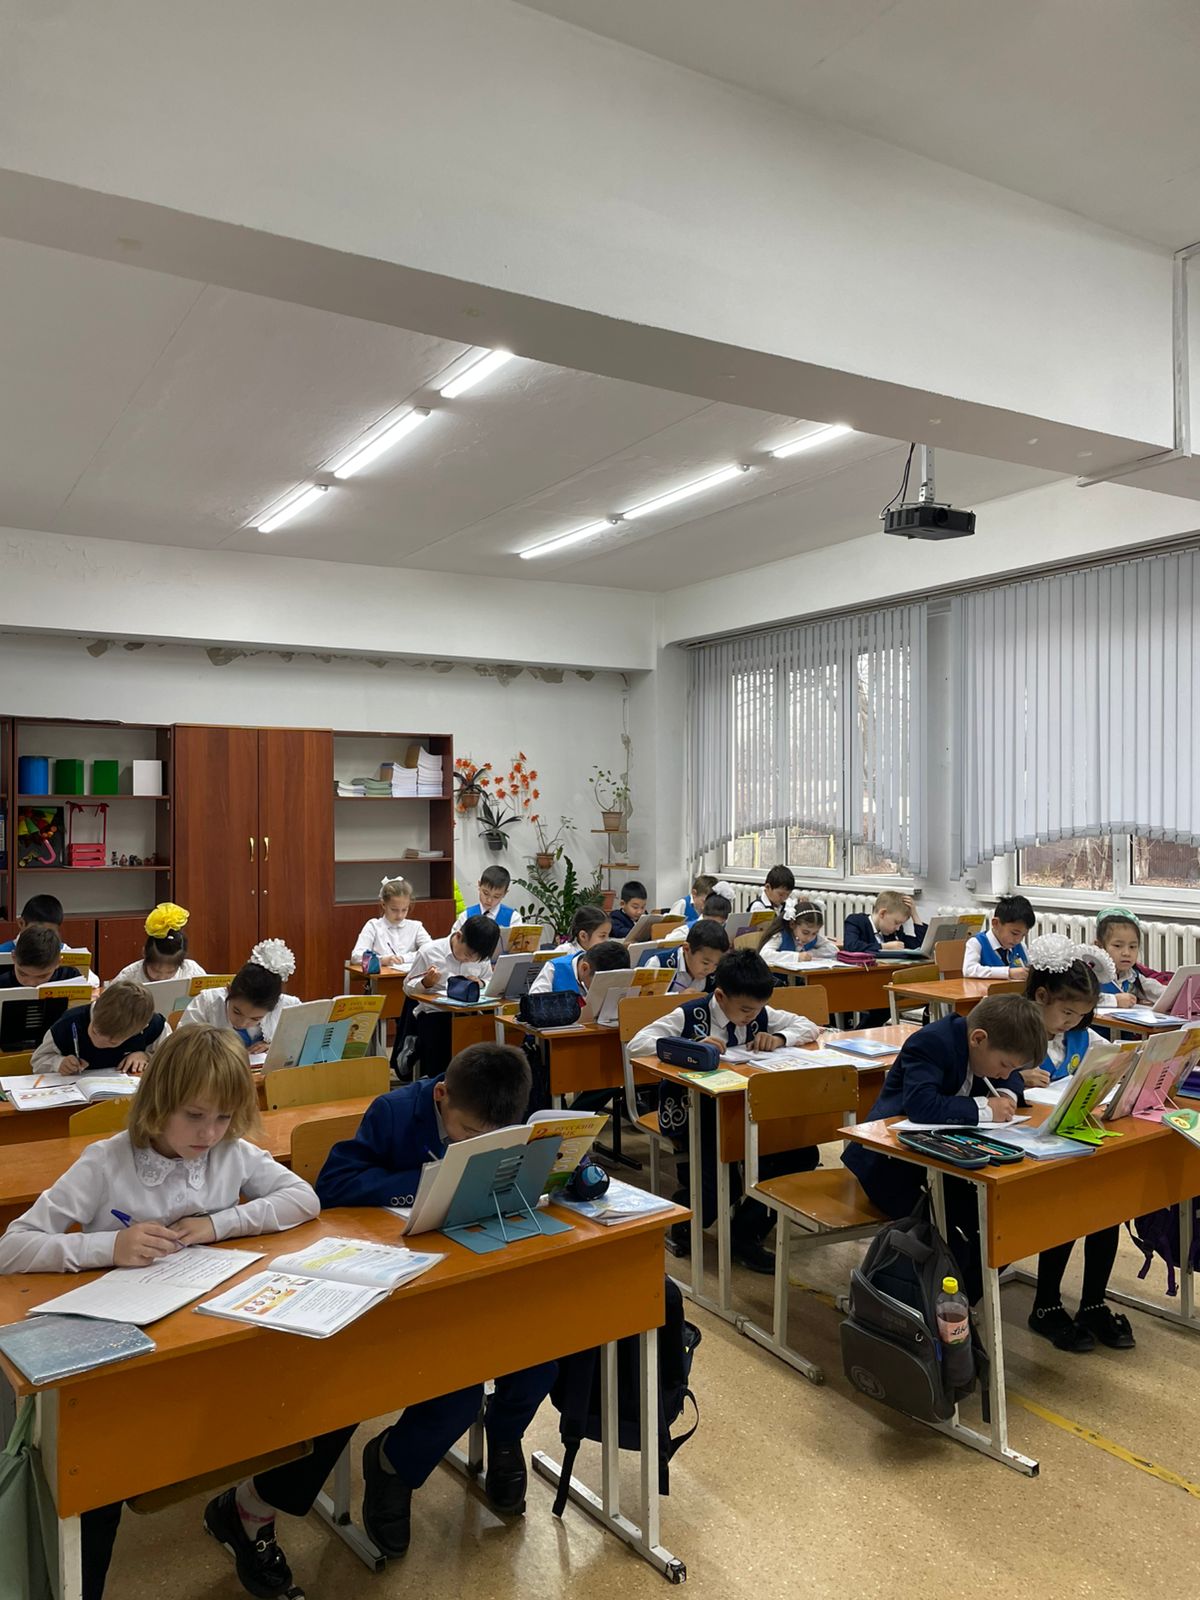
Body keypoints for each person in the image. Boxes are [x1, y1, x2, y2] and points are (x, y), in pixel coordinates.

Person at [0, 1026, 322, 1600]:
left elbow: (304, 1199)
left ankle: (248, 1511)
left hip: (208, 1334)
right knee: (95, 1480)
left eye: (223, 1118)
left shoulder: (228, 1151)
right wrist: (107, 1246)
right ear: (157, 1101)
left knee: (311, 1394)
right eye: (194, 1116)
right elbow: (12, 1247)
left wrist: (218, 1223)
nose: (209, 1133)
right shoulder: (107, 1162)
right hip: (120, 1353)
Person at [316, 1044, 557, 1558]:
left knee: (543, 1348)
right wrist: (432, 1183)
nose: (476, 1144)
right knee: (457, 1387)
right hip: (412, 1281)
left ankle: (507, 1435)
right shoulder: (394, 1111)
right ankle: (395, 1463)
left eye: (489, 1137)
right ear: (442, 1095)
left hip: (484, 1266)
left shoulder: (503, 1115)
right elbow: (333, 1185)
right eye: (467, 1132)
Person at [627, 949, 823, 1272]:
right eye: (745, 1010)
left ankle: (744, 1232)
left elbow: (809, 1026)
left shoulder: (758, 1011)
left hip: (747, 1108)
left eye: (757, 1009)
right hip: (696, 1112)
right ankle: (682, 1219)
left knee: (801, 1154)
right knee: (723, 1185)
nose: (751, 1016)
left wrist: (779, 1037)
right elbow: (638, 1044)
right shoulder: (690, 1014)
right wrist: (691, 1047)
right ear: (720, 995)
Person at [842, 994, 1046, 1300]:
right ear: (978, 1039)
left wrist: (1006, 1093)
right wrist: (985, 1108)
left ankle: (959, 1304)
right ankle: (926, 1305)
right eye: (1004, 1065)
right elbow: (921, 1106)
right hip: (890, 1165)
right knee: (954, 1240)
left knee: (1001, 1229)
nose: (1006, 1074)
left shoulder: (989, 1050)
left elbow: (1012, 1077)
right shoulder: (932, 1042)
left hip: (948, 1162)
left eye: (1012, 1068)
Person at [1021, 935, 1134, 1352]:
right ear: (1040, 996)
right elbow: (985, 1077)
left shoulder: (1081, 1036)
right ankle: (1046, 1304)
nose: (1072, 1022)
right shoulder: (1016, 1031)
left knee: (1106, 1208)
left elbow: (1114, 1057)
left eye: (1081, 1015)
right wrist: (1016, 1077)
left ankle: (1092, 1303)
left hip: (1072, 1139)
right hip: (1029, 1148)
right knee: (1066, 1209)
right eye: (1067, 1013)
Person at [402, 915, 501, 1074]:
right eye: (467, 954)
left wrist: (480, 983)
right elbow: (407, 988)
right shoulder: (429, 952)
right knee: (442, 1044)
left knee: (488, 1037)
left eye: (476, 959)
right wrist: (425, 983)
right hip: (436, 1014)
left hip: (471, 1013)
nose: (469, 960)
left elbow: (489, 980)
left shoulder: (480, 957)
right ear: (458, 936)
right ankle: (438, 1080)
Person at [178, 940, 299, 1051]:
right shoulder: (207, 1002)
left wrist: (274, 1048)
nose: (242, 1023)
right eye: (236, 1012)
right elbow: (181, 1045)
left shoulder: (290, 1007)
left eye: (255, 1019)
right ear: (229, 990)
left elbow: (299, 1045)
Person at [30, 981, 168, 1075]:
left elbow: (171, 1060)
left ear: (140, 1029)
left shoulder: (154, 1025)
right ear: (95, 1007)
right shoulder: (67, 1024)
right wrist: (59, 1063)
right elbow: (37, 1061)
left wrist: (147, 1056)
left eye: (113, 1042)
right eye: (95, 1031)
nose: (99, 1043)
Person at [0, 893, 99, 988]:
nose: (42, 935)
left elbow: (93, 981)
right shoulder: (3, 950)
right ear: (21, 923)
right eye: (36, 930)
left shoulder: (63, 950)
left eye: (49, 932)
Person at [109, 902, 207, 984]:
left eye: (170, 972)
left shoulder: (192, 971)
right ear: (144, 953)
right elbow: (107, 1000)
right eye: (156, 971)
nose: (162, 978)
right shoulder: (129, 976)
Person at [1093, 907, 1168, 1008]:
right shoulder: (1090, 972)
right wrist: (1115, 1001)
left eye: (1132, 947)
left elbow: (1156, 991)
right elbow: (1079, 998)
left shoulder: (1131, 976)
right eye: (1118, 946)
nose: (1127, 953)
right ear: (1099, 946)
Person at [351, 876, 431, 968]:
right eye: (394, 910)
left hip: (410, 976)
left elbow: (430, 950)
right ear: (383, 904)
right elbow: (356, 956)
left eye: (404, 910)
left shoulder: (416, 927)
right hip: (383, 976)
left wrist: (404, 958)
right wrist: (382, 960)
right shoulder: (373, 926)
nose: (399, 915)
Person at [529, 907, 612, 993]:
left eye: (608, 936)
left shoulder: (604, 957)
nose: (606, 941)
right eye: (602, 936)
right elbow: (538, 994)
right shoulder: (563, 953)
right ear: (583, 936)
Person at [644, 919, 729, 993]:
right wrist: (677, 997)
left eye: (716, 964)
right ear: (687, 949)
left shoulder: (716, 972)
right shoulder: (658, 964)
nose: (711, 970)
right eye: (705, 963)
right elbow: (643, 1000)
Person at [962, 895, 1035, 977]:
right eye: (1014, 933)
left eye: (1023, 935)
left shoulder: (1021, 946)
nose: (1018, 940)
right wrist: (1008, 973)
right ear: (996, 923)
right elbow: (969, 970)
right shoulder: (977, 943)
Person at [0, 924, 88, 989]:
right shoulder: (2, 980)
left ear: (58, 962)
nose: (31, 983)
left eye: (42, 976)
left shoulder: (70, 975)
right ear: (13, 957)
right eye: (22, 974)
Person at [757, 895, 837, 959]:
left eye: (815, 933)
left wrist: (810, 954)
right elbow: (764, 954)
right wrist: (796, 956)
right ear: (792, 924)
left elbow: (833, 950)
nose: (809, 938)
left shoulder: (813, 938)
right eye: (805, 932)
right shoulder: (780, 936)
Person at [451, 864, 516, 933]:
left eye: (496, 896)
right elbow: (453, 938)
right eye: (486, 893)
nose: (489, 900)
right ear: (479, 885)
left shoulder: (513, 918)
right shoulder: (466, 916)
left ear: (505, 893)